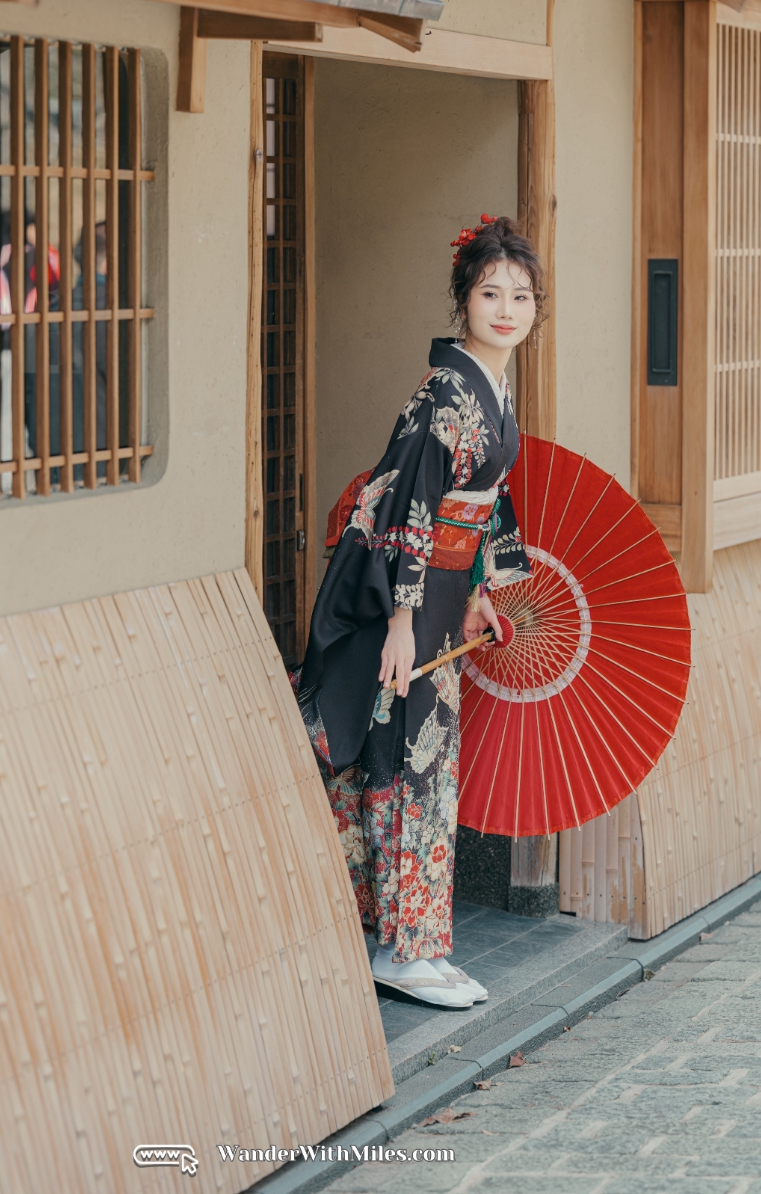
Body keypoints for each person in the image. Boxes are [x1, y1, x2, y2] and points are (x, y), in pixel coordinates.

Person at [297, 215, 544, 1009]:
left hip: (442, 594)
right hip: (399, 600)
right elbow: (407, 507)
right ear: (461, 301)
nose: (504, 308)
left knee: (428, 760)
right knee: (401, 757)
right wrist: (402, 623)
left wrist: (479, 593)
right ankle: (398, 945)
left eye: (519, 295)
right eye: (488, 293)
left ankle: (420, 940)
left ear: (536, 308)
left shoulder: (494, 390)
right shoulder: (443, 392)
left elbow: (486, 501)